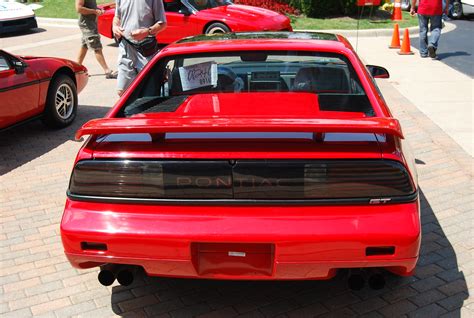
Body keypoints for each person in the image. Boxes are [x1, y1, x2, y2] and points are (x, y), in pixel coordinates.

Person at [112, 0, 167, 96]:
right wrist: (114, 26)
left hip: (145, 50)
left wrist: (147, 32)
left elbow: (162, 24)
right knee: (122, 92)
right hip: (125, 47)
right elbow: (117, 16)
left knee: (148, 92)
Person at [76, 0, 117, 79]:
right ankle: (107, 70)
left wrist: (98, 9)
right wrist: (94, 11)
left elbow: (90, 6)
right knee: (97, 47)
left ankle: (76, 69)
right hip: (87, 25)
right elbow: (79, 8)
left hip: (91, 23)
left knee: (85, 46)